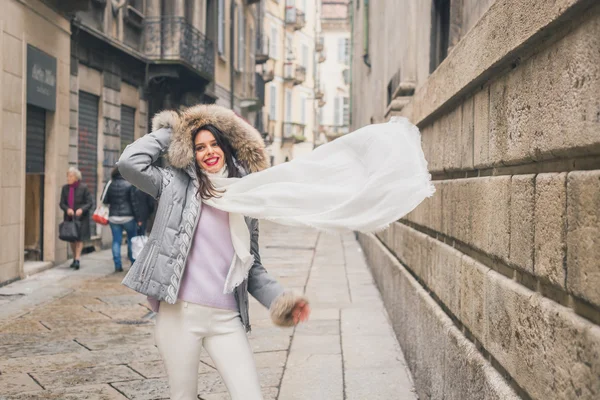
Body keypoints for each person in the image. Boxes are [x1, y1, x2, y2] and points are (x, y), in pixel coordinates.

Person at [118, 105, 310, 400]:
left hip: (226, 316)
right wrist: (175, 130)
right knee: (183, 396)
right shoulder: (173, 185)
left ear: (227, 147)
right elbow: (130, 163)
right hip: (179, 314)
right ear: (189, 152)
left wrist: (279, 299)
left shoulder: (244, 197)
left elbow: (252, 265)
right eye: (199, 147)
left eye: (214, 144)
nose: (208, 151)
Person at [103, 167, 139, 273]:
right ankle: (133, 262)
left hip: (113, 217)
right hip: (128, 217)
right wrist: (138, 218)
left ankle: (118, 265)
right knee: (131, 239)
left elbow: (105, 200)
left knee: (116, 241)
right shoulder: (129, 184)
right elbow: (134, 202)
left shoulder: (110, 184)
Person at [59, 167, 93, 270]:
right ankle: (74, 257)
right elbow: (62, 203)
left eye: (70, 176)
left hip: (81, 218)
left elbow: (89, 203)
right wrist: (67, 209)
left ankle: (77, 259)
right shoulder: (65, 188)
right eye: (67, 176)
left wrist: (81, 210)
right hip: (69, 217)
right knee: (72, 239)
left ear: (76, 177)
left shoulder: (84, 188)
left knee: (79, 239)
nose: (68, 178)